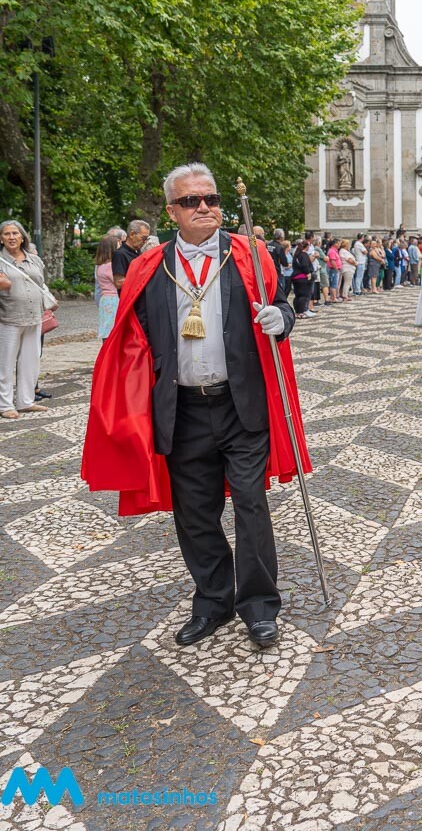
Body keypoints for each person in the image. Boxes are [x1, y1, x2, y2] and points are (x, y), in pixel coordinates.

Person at [82, 162, 309, 649]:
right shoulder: (149, 266)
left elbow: (285, 303)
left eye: (211, 199)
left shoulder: (250, 254)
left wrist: (281, 317)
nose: (204, 207)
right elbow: (133, 338)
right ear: (172, 211)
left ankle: (259, 607)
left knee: (250, 504)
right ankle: (212, 601)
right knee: (195, 513)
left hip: (240, 404)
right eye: (191, 201)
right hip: (182, 409)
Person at [0, 219, 51, 419]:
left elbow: (41, 283)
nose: (11, 237)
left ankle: (26, 401)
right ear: (1, 239)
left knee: (31, 361)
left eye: (15, 233)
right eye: (7, 234)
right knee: (5, 363)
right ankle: (5, 405)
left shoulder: (34, 259)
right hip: (8, 316)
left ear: (22, 237)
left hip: (34, 316)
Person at [112, 220, 150, 296]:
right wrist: (144, 277)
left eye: (147, 239)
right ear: (132, 234)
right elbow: (118, 283)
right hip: (130, 299)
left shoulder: (138, 252)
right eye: (143, 238)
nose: (145, 241)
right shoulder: (120, 254)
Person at [96, 235, 121, 341]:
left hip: (105, 299)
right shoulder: (110, 266)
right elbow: (117, 282)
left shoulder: (100, 266)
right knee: (111, 328)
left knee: (106, 326)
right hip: (113, 299)